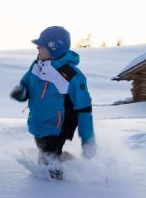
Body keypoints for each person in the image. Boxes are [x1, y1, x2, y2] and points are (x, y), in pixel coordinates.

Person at [10, 26, 96, 179]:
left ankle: (57, 188)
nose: (37, 47)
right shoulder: (37, 65)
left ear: (54, 48)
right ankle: (65, 160)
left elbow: (84, 108)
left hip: (59, 126)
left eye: (41, 45)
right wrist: (22, 92)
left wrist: (88, 140)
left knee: (48, 162)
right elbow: (27, 83)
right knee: (46, 153)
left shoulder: (71, 76)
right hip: (39, 123)